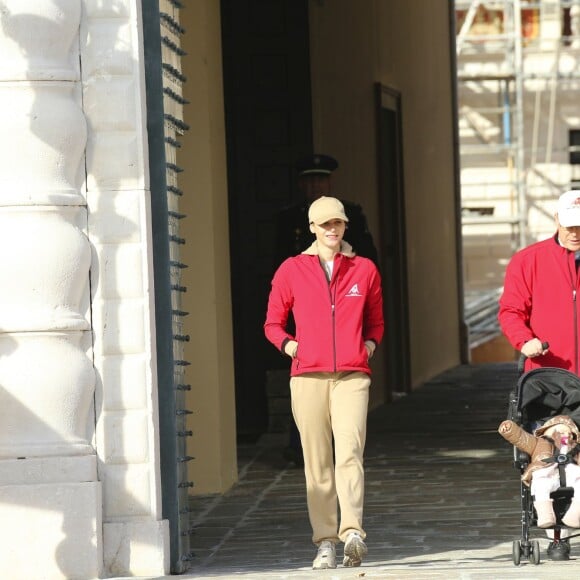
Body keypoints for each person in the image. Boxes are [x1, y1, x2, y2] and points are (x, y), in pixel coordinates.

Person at [264, 196, 384, 570]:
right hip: (308, 377)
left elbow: (377, 321)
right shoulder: (291, 270)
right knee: (317, 462)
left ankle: (352, 533)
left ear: (345, 226)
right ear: (313, 228)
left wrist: (368, 346)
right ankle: (325, 542)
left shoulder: (364, 270)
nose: (333, 230)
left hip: (352, 375)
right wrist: (292, 346)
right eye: (325, 224)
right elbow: (272, 324)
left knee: (350, 452)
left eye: (338, 224)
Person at [274, 154, 379, 467]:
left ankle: (344, 447)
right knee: (307, 387)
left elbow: (367, 257)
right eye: (309, 180)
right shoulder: (289, 218)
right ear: (300, 184)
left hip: (344, 310)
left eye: (320, 180)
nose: (314, 186)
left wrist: (368, 342)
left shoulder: (352, 217)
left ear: (329, 182)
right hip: (304, 313)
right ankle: (302, 448)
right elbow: (279, 264)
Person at [498, 189, 580, 558]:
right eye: (569, 225)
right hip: (548, 379)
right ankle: (556, 531)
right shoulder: (528, 261)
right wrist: (524, 340)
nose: (575, 232)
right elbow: (510, 311)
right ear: (556, 220)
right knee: (551, 454)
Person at [498, 415, 580, 528]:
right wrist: (510, 430)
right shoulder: (539, 442)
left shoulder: (575, 446)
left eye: (567, 431)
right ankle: (546, 515)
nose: (565, 434)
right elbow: (522, 438)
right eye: (560, 430)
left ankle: (574, 514)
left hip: (571, 474)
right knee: (541, 485)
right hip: (546, 473)